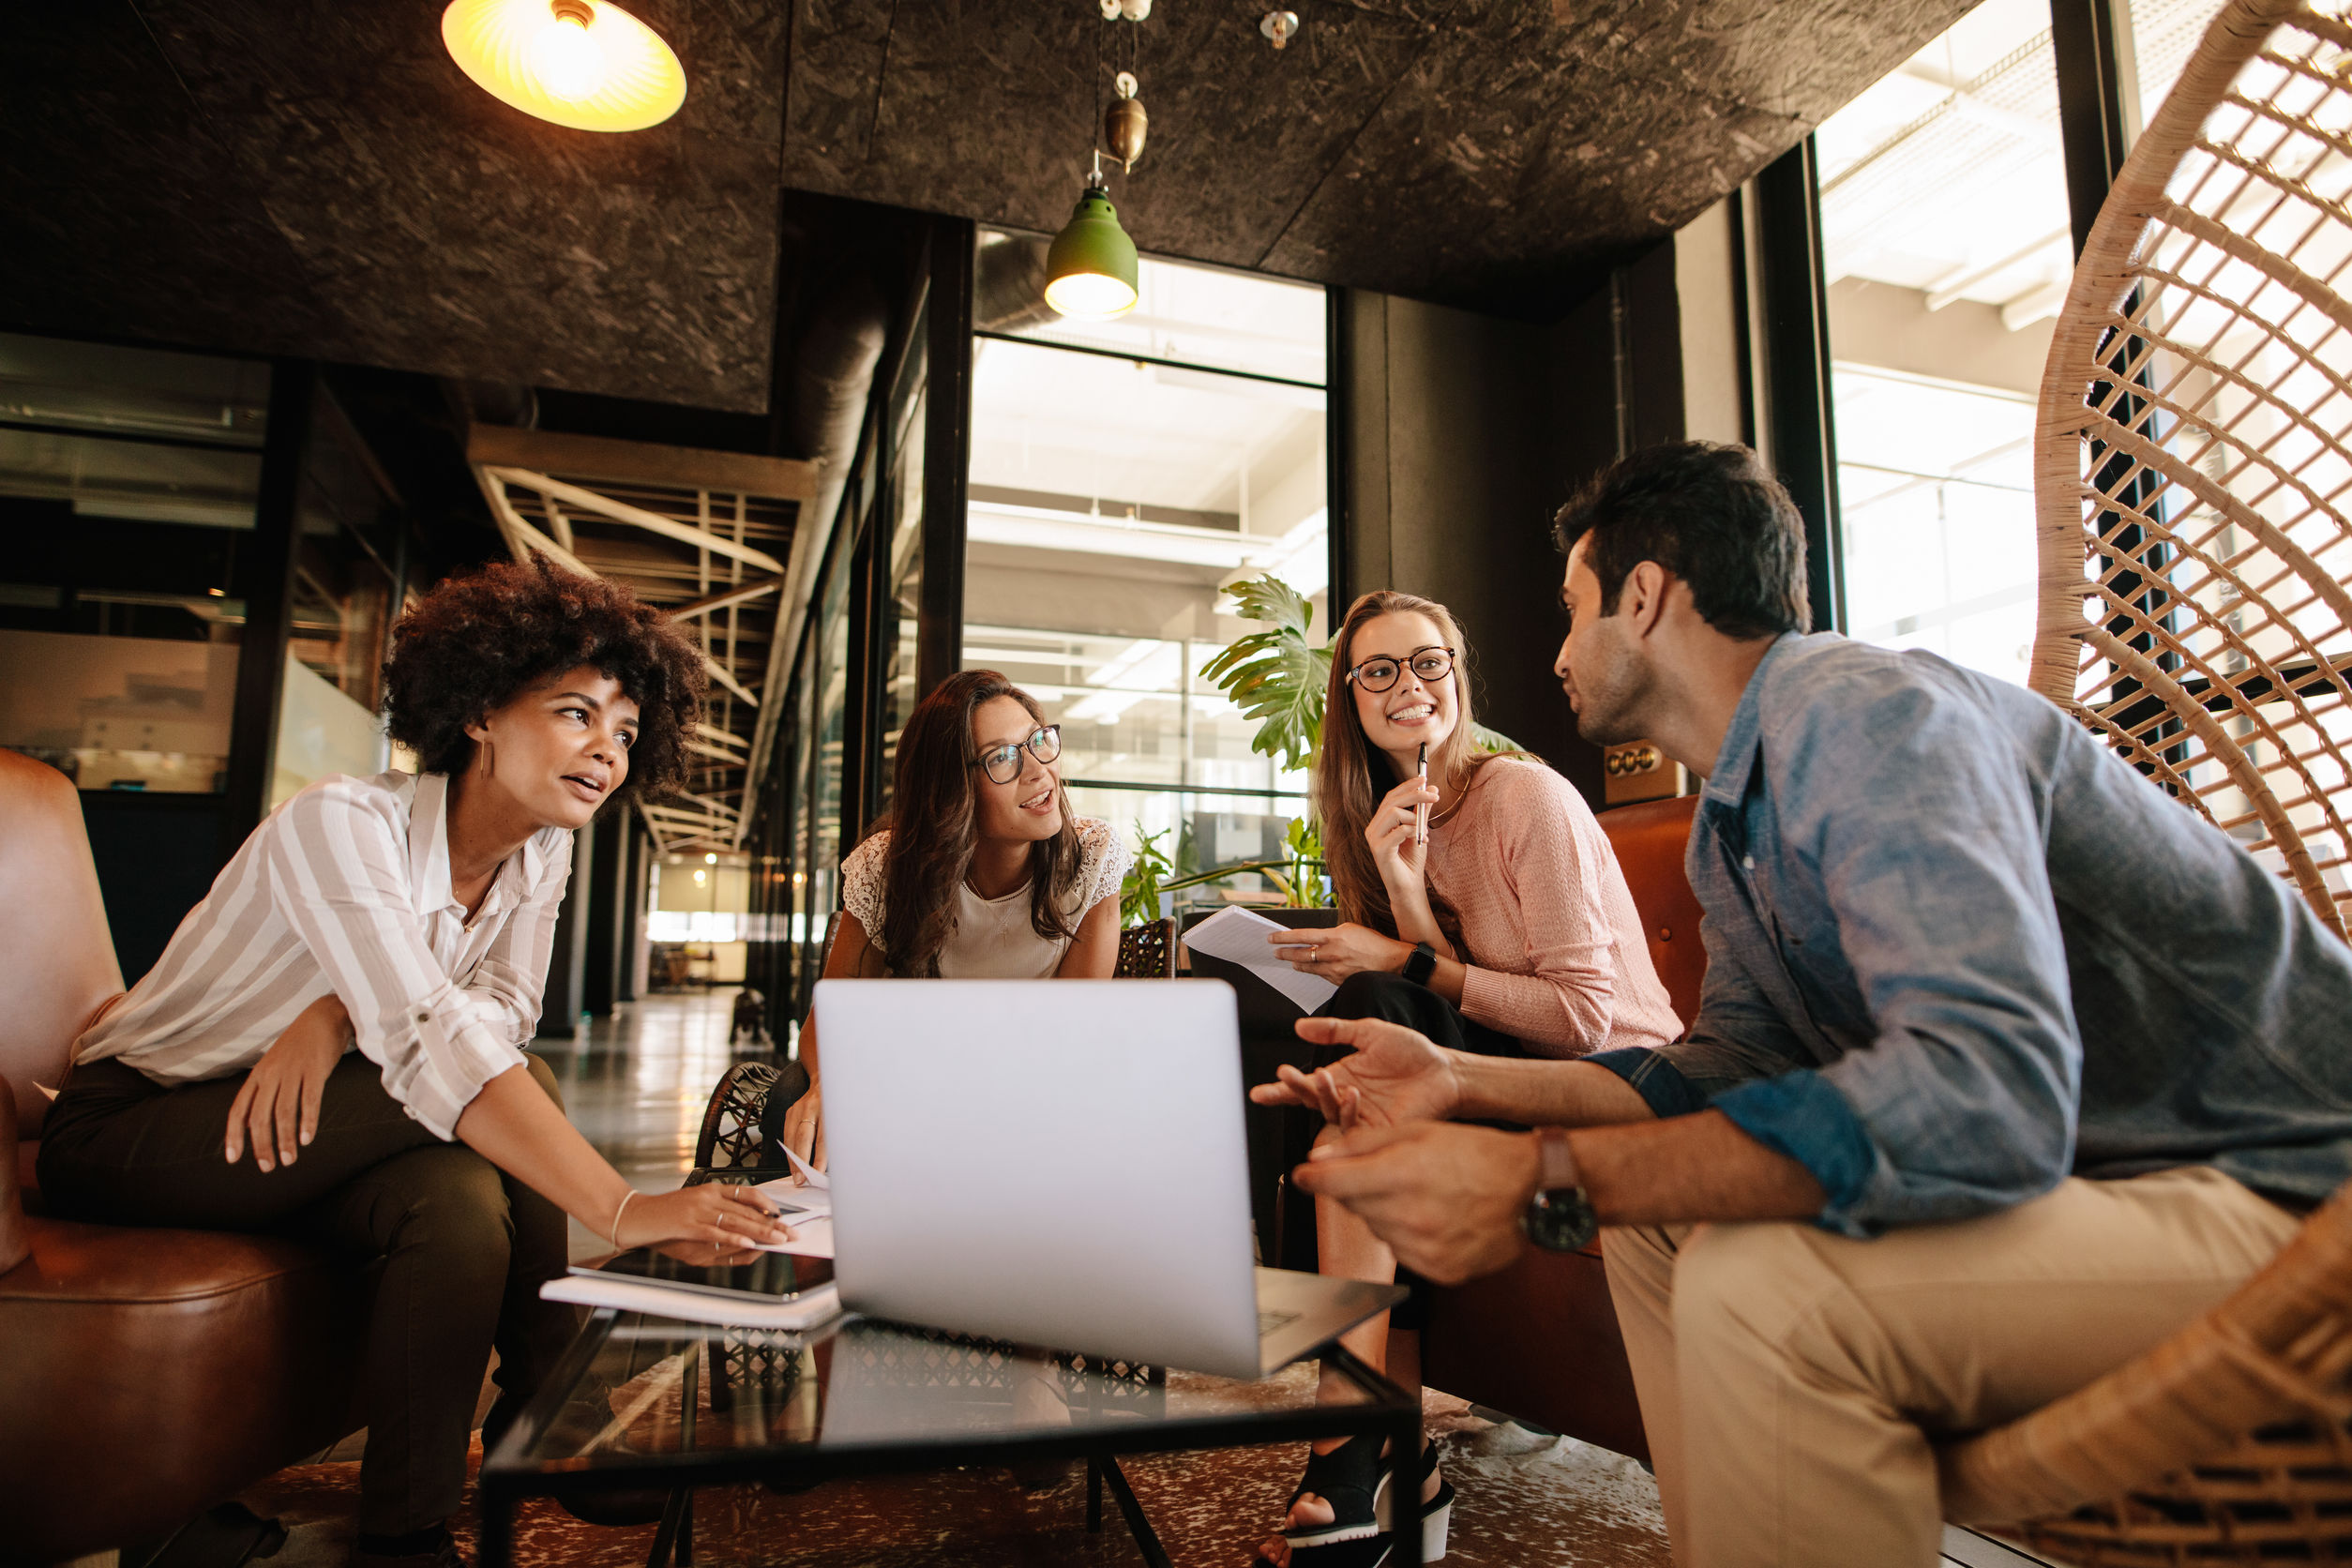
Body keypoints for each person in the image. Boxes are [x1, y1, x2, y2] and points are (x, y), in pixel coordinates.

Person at [1258, 441, 2352, 1568]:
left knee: (1768, 1288)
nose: (1558, 651)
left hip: (2290, 1195)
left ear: (1644, 597)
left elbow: (1987, 1087)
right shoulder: (1743, 814)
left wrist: (1546, 1178)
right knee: (1659, 1232)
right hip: (2114, 1186)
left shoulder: (1863, 710)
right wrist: (1457, 1075)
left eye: (1574, 609)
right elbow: (1722, 1064)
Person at [38, 562, 793, 1568]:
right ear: (481, 709)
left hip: (307, 1118)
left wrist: (335, 1019)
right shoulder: (344, 821)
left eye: (622, 732)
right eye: (575, 714)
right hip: (138, 1124)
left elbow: (504, 1010)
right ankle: (551, 1406)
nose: (604, 752)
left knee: (453, 1198)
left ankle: (407, 1526)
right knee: (531, 1090)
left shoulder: (541, 852)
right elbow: (438, 1031)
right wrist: (622, 1208)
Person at [1253, 591, 1680, 1568]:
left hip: (1616, 1085)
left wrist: (1397, 957)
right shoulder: (1394, 819)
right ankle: (1383, 1451)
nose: (1410, 686)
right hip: (1505, 1076)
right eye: (1380, 670)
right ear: (1351, 700)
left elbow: (1576, 1014)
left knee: (1368, 1010)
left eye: (1429, 662)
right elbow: (1458, 999)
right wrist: (1404, 890)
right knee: (1338, 1053)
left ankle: (1352, 1452)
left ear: (1459, 675)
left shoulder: (1522, 795)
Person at [770, 668, 1133, 1172]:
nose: (1037, 770)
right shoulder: (888, 866)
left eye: (1038, 741)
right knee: (793, 1092)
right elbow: (831, 1013)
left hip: (1034, 1076)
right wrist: (829, 1086)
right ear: (949, 787)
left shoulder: (1091, 858)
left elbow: (1072, 1031)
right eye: (1001, 757)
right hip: (909, 1072)